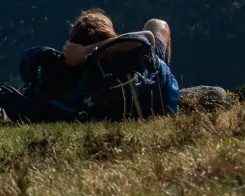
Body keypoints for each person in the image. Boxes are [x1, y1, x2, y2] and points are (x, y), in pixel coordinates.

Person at [0, 9, 178, 123]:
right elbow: (147, 38)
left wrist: (83, 53)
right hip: (153, 91)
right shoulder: (129, 56)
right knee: (157, 25)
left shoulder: (69, 86)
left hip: (126, 103)